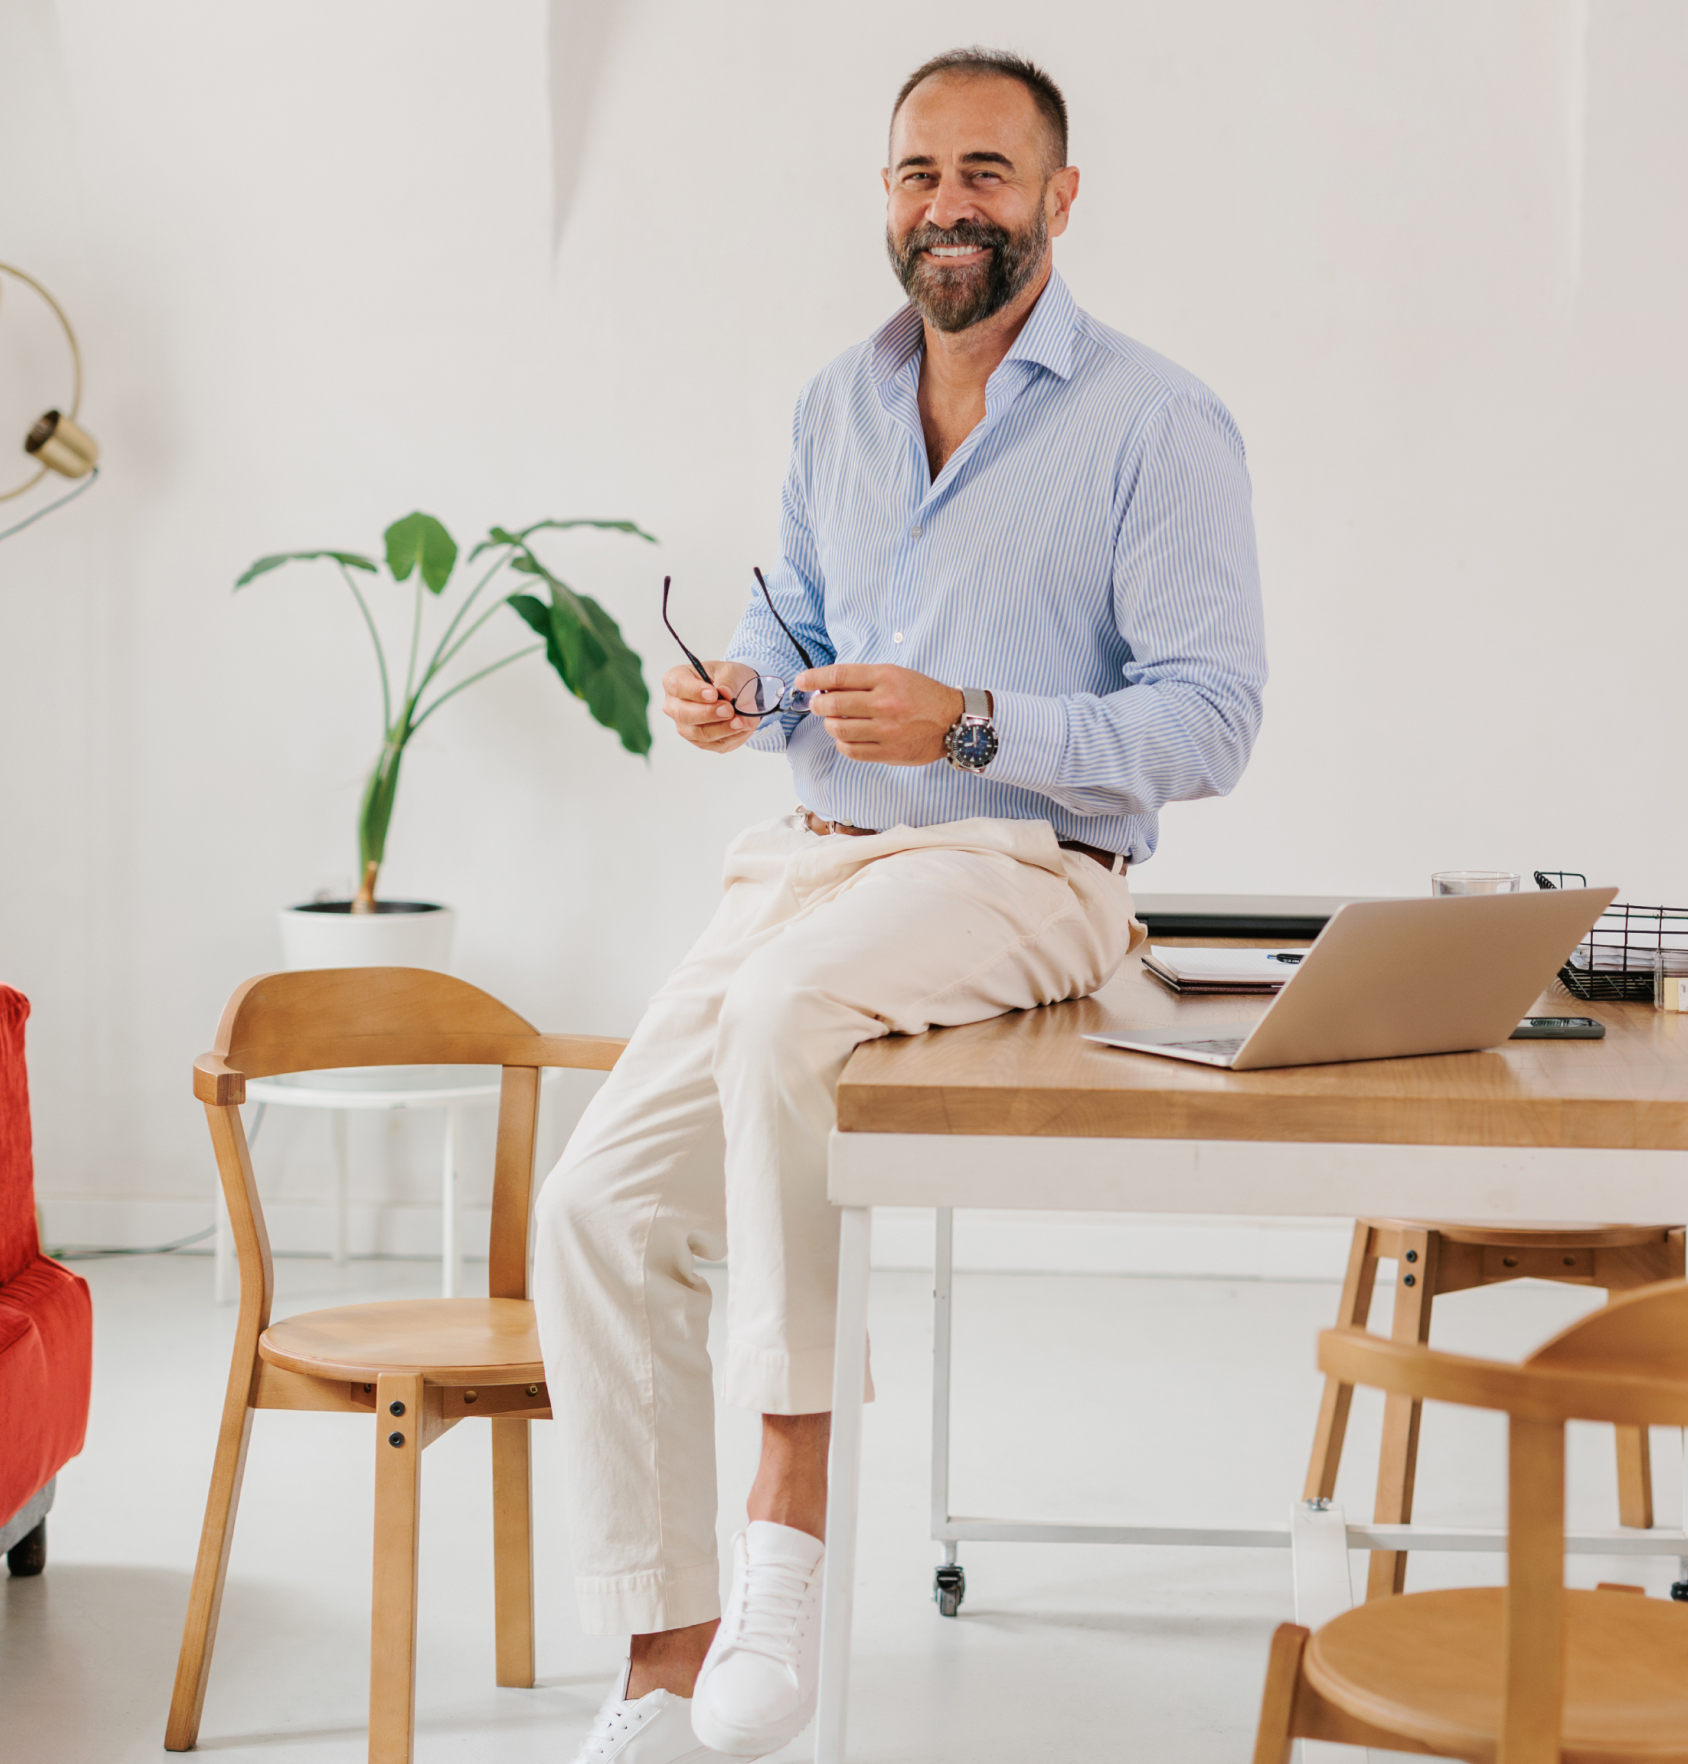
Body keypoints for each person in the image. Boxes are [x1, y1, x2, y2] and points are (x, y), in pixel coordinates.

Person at [537, 45, 1266, 1764]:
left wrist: (978, 721)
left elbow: (1213, 715)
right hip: (811, 860)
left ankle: (784, 1537)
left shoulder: (1159, 424)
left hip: (1031, 870)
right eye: (921, 174)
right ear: (887, 199)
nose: (953, 207)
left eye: (990, 175)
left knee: (795, 1022)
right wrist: (738, 684)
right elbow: (798, 620)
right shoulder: (830, 407)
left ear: (1059, 202)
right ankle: (663, 1655)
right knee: (591, 1205)